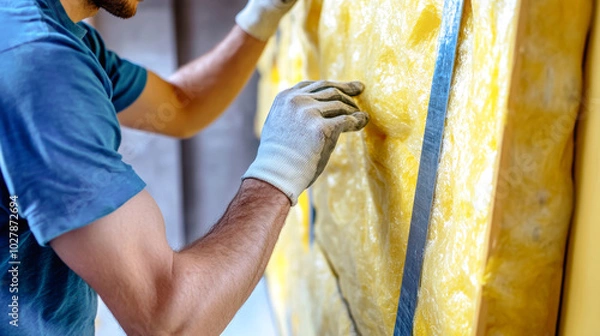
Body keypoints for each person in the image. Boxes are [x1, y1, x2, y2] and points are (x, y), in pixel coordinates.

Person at [0, 0, 369, 334]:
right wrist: (281, 167)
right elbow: (168, 320)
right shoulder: (38, 60)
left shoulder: (47, 31)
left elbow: (180, 105)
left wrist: (261, 16)